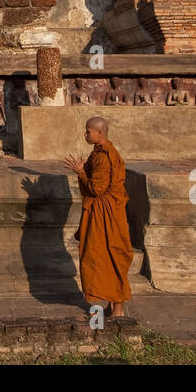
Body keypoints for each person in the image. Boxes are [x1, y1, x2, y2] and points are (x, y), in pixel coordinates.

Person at [62, 116, 133, 317]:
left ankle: (101, 311)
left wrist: (80, 172)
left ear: (99, 133)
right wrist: (86, 169)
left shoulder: (104, 156)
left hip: (103, 216)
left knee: (95, 258)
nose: (85, 134)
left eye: (88, 131)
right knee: (111, 258)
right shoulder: (102, 153)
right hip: (110, 214)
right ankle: (116, 308)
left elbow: (97, 189)